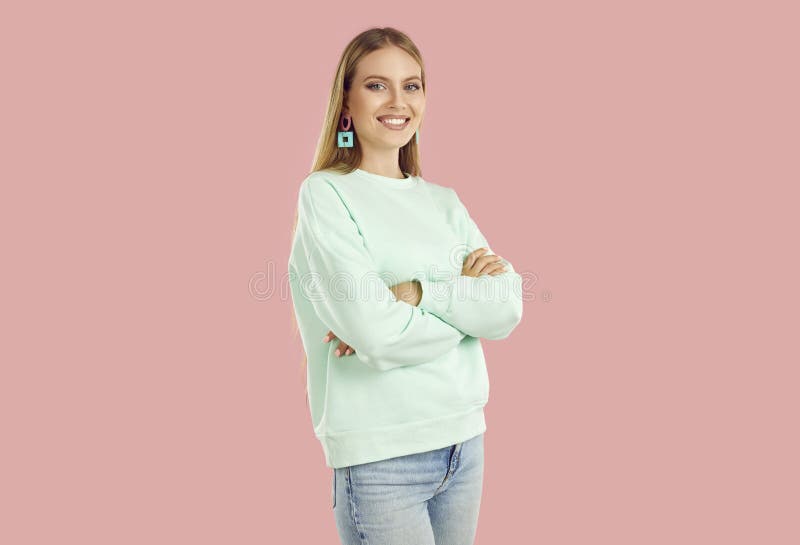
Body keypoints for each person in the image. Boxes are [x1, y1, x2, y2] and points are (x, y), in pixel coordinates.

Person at [287, 27, 523, 545]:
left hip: (464, 442)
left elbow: (506, 307)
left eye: (411, 86)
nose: (398, 102)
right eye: (377, 85)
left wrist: (419, 294)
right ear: (345, 101)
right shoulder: (325, 194)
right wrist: (463, 316)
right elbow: (375, 333)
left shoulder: (444, 202)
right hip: (379, 458)